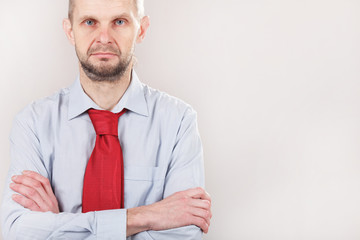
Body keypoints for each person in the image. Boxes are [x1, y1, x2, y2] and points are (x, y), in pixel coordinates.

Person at [0, 0, 212, 239]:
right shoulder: (33, 123)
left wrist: (58, 225)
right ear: (70, 31)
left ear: (141, 29)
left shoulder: (178, 122)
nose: (104, 38)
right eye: (89, 22)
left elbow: (184, 233)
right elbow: (18, 231)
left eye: (119, 22)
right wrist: (145, 216)